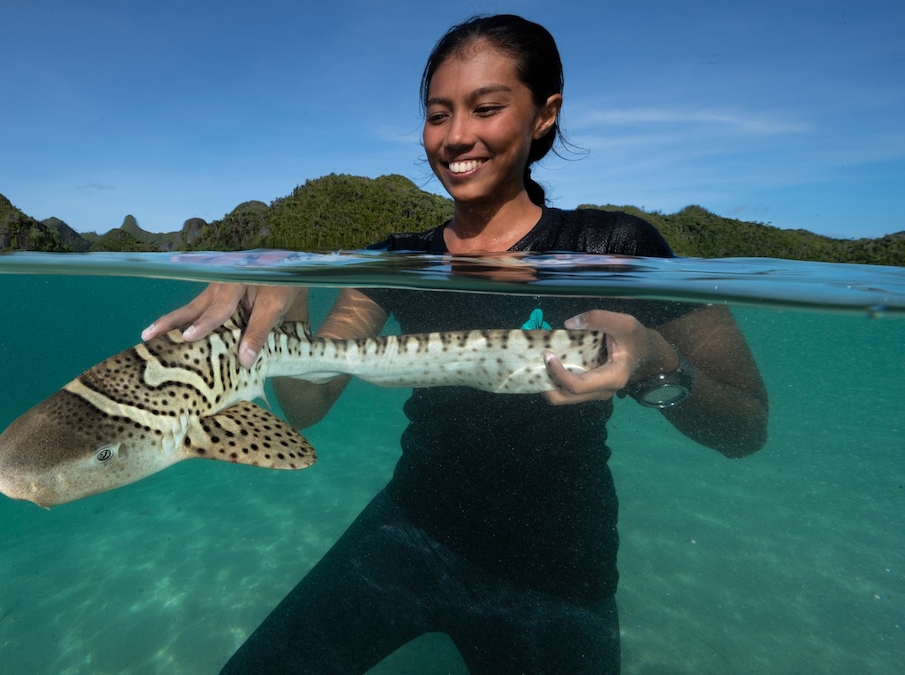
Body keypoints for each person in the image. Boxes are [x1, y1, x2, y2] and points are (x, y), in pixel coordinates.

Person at [143, 14, 768, 674]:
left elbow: (747, 425)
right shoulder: (396, 262)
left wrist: (655, 362)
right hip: (411, 527)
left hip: (560, 573)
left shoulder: (619, 250)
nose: (456, 135)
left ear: (545, 115)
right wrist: (284, 312)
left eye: (487, 107)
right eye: (438, 114)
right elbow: (306, 402)